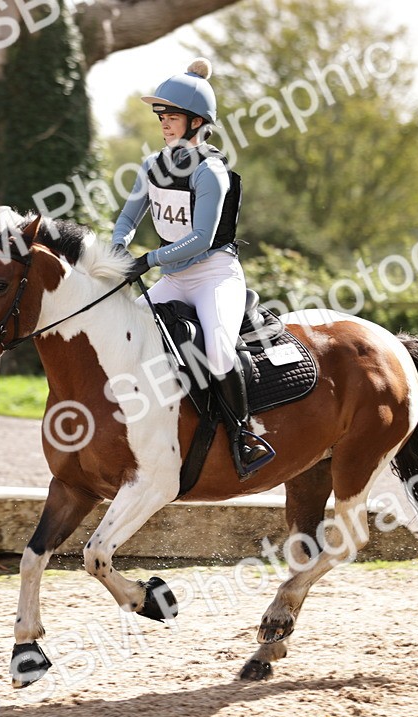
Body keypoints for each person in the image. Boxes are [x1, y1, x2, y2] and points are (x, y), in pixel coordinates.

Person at [112, 58, 274, 478]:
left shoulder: (210, 172)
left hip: (213, 276)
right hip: (172, 278)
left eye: (173, 116)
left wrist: (147, 260)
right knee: (126, 339)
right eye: (162, 116)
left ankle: (244, 434)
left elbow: (201, 240)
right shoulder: (152, 166)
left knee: (219, 352)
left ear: (198, 122)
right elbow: (129, 218)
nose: (165, 123)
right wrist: (117, 247)